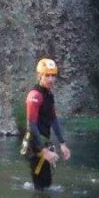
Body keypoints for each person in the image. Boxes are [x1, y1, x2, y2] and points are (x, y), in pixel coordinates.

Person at [22, 58, 71, 190]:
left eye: (53, 76)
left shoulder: (48, 95)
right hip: (35, 146)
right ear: (39, 76)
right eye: (47, 75)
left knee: (47, 185)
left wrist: (62, 144)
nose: (50, 79)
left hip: (43, 143)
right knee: (40, 188)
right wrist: (44, 151)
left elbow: (53, 119)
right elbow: (31, 125)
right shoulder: (35, 95)